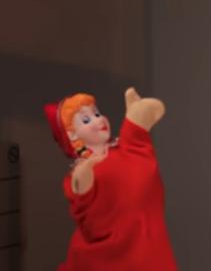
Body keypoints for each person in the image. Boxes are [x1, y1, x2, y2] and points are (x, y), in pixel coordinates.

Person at [44, 87, 177, 271]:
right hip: (108, 258)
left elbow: (139, 150)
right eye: (86, 119)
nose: (99, 120)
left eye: (97, 113)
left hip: (148, 247)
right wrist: (84, 177)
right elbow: (92, 220)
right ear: (72, 134)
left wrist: (137, 122)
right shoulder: (83, 172)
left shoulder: (127, 150)